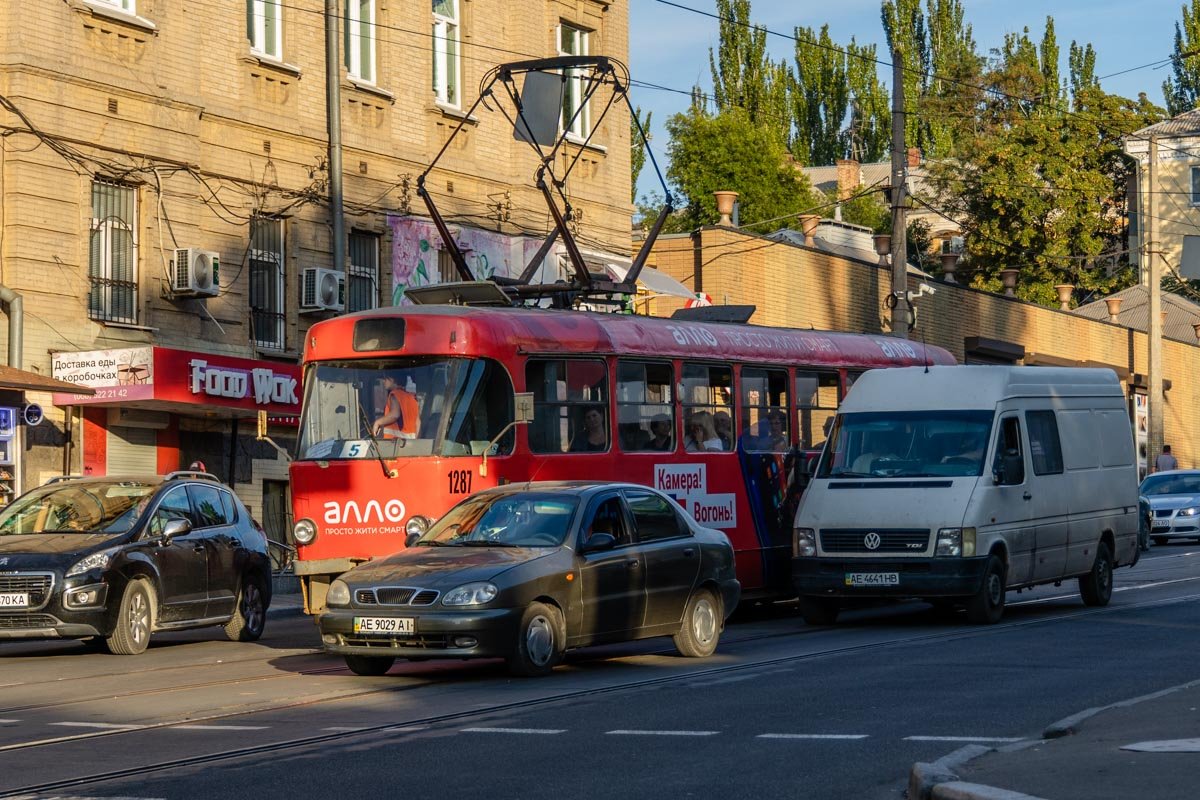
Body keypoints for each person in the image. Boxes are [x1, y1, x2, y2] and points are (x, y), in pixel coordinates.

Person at [372, 374, 420, 439]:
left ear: (393, 380)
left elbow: (395, 415)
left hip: (396, 443)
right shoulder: (412, 397)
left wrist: (378, 423)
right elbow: (418, 421)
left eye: (385, 378)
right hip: (412, 441)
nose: (383, 381)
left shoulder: (394, 395)